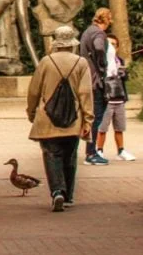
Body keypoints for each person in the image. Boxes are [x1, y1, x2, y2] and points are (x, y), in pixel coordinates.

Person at [27, 25, 94, 212]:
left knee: (51, 155)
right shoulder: (81, 63)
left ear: (56, 43)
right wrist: (88, 120)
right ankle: (68, 196)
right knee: (70, 156)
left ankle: (57, 191)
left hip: (47, 119)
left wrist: (31, 112)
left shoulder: (45, 62)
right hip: (73, 119)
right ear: (72, 43)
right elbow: (85, 93)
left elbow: (34, 91)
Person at [96, 34, 135, 161]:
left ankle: (121, 150)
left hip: (119, 98)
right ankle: (99, 150)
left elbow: (125, 79)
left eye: (114, 44)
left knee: (119, 127)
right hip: (107, 99)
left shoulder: (120, 61)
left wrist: (123, 73)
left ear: (117, 47)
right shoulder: (102, 62)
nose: (111, 47)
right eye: (109, 44)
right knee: (102, 127)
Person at [80, 7, 111, 165]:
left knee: (90, 115)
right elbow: (99, 47)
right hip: (96, 80)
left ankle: (90, 151)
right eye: (109, 18)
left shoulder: (87, 31)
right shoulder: (99, 33)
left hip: (86, 78)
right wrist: (102, 63)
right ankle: (91, 153)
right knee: (96, 116)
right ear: (105, 19)